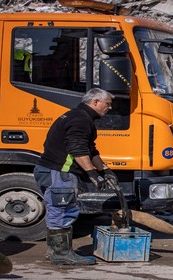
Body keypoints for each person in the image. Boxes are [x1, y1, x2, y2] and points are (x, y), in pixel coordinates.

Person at [33, 88, 119, 266]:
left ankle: (55, 251)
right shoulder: (81, 119)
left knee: (59, 210)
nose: (109, 108)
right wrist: (92, 174)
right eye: (107, 104)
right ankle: (61, 254)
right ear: (95, 102)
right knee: (63, 210)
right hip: (60, 172)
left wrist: (105, 171)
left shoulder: (78, 116)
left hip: (51, 170)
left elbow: (90, 150)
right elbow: (77, 149)